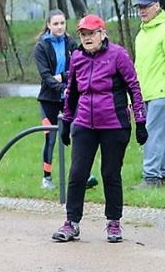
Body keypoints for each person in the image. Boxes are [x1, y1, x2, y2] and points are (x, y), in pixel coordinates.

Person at [52, 14, 147, 243]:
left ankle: (113, 222)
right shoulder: (77, 57)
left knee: (110, 173)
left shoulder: (118, 55)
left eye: (91, 34)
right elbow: (72, 91)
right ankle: (72, 222)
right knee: (78, 173)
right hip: (85, 122)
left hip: (114, 124)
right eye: (83, 34)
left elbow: (134, 87)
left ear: (102, 34)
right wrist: (66, 121)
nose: (87, 38)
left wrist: (140, 121)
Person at [134, 0, 165, 187]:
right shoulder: (141, 34)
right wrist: (134, 94)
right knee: (157, 133)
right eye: (140, 7)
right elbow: (138, 66)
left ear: (157, 6)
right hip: (146, 92)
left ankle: (151, 177)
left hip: (162, 91)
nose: (142, 11)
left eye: (146, 7)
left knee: (152, 134)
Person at [34, 9, 75, 189]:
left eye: (62, 23)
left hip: (69, 98)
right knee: (50, 138)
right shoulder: (42, 46)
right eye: (56, 23)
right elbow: (46, 76)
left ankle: (81, 174)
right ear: (49, 25)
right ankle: (47, 178)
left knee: (77, 135)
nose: (59, 27)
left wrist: (63, 78)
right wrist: (62, 86)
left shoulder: (71, 43)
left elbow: (77, 69)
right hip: (48, 100)